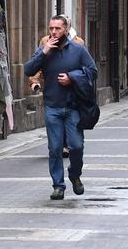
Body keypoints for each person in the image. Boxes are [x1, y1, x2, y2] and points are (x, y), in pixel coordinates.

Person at [24, 15, 97, 200]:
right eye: (51, 29)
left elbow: (92, 72)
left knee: (76, 146)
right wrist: (44, 52)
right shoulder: (44, 50)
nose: (53, 32)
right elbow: (28, 70)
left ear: (66, 30)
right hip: (52, 107)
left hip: (73, 107)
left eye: (57, 28)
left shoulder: (78, 50)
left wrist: (72, 77)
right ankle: (58, 186)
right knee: (55, 148)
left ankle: (74, 175)